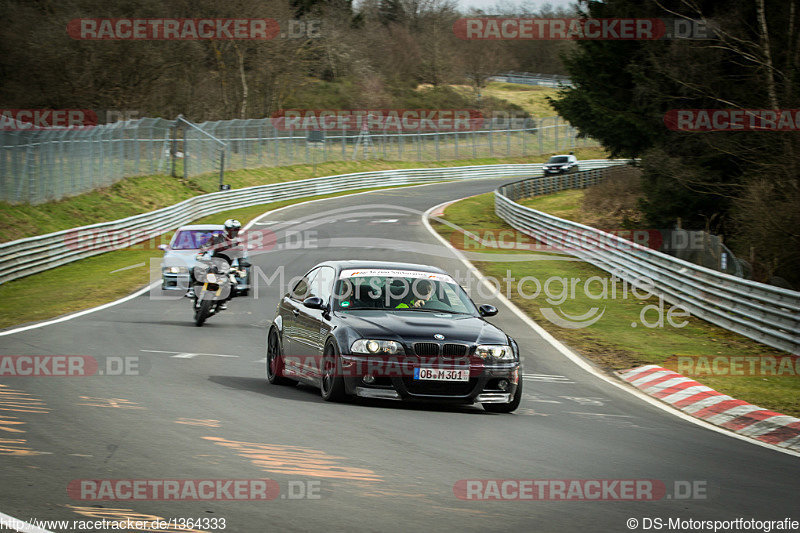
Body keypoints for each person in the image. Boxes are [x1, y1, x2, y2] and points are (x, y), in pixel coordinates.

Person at [186, 219, 245, 309]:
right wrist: (201, 254)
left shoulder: (238, 244)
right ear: (226, 229)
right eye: (231, 230)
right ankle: (192, 290)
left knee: (233, 285)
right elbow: (207, 245)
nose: (233, 232)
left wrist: (242, 270)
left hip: (227, 267)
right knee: (195, 269)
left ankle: (223, 301)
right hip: (213, 263)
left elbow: (241, 259)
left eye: (236, 230)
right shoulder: (217, 237)